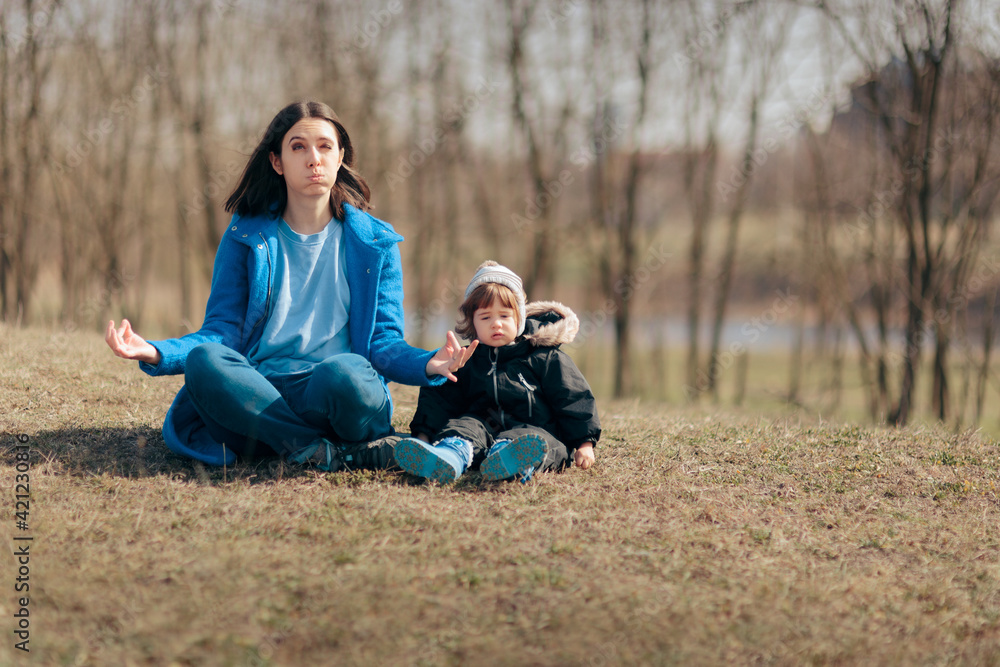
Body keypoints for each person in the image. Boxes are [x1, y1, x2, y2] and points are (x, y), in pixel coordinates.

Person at [106, 101, 475, 471]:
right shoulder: (245, 237)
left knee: (346, 372)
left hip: (332, 394)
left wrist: (428, 363)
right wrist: (156, 352)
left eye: (325, 146)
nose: (313, 158)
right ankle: (319, 449)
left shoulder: (375, 244)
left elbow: (383, 343)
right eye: (298, 147)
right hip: (258, 395)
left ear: (340, 155)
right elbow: (220, 333)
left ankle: (289, 443)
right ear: (277, 162)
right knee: (206, 361)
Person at [395, 260, 600, 484]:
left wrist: (585, 444)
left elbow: (573, 398)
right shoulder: (466, 359)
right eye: (485, 317)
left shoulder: (544, 357)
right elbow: (439, 400)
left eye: (504, 316)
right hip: (480, 430)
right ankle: (447, 457)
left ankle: (511, 461)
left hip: (533, 430)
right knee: (463, 428)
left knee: (535, 440)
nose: (496, 324)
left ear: (520, 318)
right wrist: (424, 435)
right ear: (472, 322)